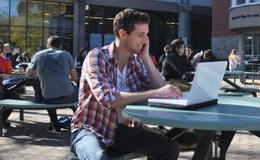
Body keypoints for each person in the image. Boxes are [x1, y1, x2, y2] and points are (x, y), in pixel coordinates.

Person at [70, 8, 180, 160]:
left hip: (120, 131)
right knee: (99, 157)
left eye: (147, 35)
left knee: (169, 148)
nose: (146, 40)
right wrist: (155, 93)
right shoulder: (97, 57)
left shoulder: (136, 62)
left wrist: (146, 59)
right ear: (123, 34)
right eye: (141, 35)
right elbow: (107, 98)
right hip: (90, 129)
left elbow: (162, 91)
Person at [26, 36, 79, 132]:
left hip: (49, 98)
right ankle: (80, 123)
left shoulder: (38, 55)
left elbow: (28, 73)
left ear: (47, 45)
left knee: (49, 93)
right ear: (60, 45)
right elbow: (75, 77)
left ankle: (55, 124)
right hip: (67, 96)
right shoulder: (66, 55)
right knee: (80, 93)